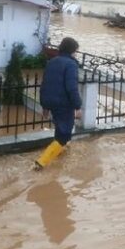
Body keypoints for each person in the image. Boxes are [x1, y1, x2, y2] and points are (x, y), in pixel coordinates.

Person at [36, 37, 82, 169]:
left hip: (51, 102)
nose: (76, 54)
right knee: (65, 133)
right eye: (76, 51)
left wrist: (45, 106)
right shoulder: (71, 64)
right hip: (63, 104)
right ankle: (41, 162)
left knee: (60, 130)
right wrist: (77, 107)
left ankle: (59, 152)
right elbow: (72, 88)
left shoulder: (51, 62)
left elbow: (44, 85)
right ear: (72, 50)